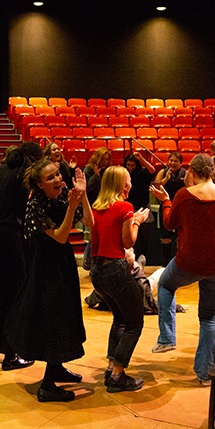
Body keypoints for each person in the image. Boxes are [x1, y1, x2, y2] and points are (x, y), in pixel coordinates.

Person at [6, 158, 94, 402]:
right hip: (46, 270)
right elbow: (62, 236)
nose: (58, 179)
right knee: (53, 323)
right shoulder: (35, 205)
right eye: (51, 177)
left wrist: (83, 195)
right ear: (38, 185)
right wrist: (70, 206)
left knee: (66, 317)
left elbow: (89, 222)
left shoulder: (64, 193)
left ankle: (56, 368)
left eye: (57, 174)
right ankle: (47, 386)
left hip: (63, 265)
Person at [149, 153, 215, 384]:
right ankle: (206, 374)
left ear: (192, 172)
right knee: (209, 317)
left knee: (166, 285)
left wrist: (166, 201)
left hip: (189, 262)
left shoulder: (183, 195)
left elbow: (169, 223)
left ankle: (167, 338)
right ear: (213, 171)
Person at [0, 141, 42, 371]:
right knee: (14, 294)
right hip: (9, 236)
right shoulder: (23, 176)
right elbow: (20, 211)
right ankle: (10, 354)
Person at [88, 166, 151, 393]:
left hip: (98, 270)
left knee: (119, 319)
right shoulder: (125, 207)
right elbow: (128, 243)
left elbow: (94, 245)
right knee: (135, 323)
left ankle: (110, 368)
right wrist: (136, 221)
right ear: (121, 184)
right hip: (116, 269)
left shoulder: (96, 208)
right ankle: (117, 376)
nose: (131, 184)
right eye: (129, 180)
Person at [123, 151, 155, 264]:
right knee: (129, 237)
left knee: (144, 237)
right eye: (128, 165)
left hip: (143, 208)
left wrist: (141, 158)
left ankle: (142, 259)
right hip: (128, 209)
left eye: (133, 165)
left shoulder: (142, 173)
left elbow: (152, 170)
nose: (130, 168)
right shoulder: (124, 174)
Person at [153, 151, 186, 263]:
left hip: (180, 207)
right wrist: (166, 179)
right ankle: (165, 263)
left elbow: (190, 186)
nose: (173, 163)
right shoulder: (163, 172)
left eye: (176, 161)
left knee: (179, 236)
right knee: (165, 236)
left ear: (181, 163)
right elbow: (156, 186)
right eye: (171, 160)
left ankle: (179, 262)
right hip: (166, 206)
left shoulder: (185, 173)